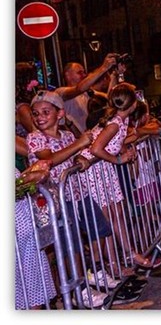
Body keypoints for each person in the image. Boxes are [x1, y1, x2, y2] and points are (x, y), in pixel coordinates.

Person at [25, 90, 115, 307]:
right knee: (69, 245)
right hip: (56, 203)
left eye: (46, 112)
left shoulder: (66, 135)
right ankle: (77, 289)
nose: (40, 117)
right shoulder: (35, 138)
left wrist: (81, 157)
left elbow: (73, 156)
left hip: (77, 193)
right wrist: (79, 145)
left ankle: (94, 271)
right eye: (35, 113)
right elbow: (49, 161)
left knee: (100, 229)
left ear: (60, 114)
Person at [78, 83, 161, 271]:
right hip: (95, 171)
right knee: (107, 220)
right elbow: (95, 149)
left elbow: (118, 142)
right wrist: (117, 159)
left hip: (105, 170)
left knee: (119, 214)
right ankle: (115, 266)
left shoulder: (121, 121)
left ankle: (131, 254)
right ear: (132, 105)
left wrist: (125, 149)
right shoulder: (115, 123)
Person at [15, 158, 57, 309]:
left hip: (24, 227)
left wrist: (31, 171)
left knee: (32, 291)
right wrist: (27, 180)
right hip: (16, 232)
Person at [55, 53, 121, 133]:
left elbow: (110, 97)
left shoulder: (88, 92)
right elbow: (79, 89)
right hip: (75, 140)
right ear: (68, 75)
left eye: (84, 72)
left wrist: (115, 74)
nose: (84, 75)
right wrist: (104, 67)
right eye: (79, 73)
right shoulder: (61, 92)